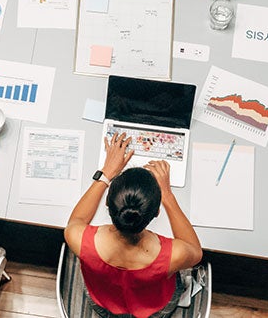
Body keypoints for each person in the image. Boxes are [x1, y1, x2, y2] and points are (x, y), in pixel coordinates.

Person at [64, 133, 203, 318]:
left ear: (107, 203)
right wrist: (168, 196)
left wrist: (106, 174)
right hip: (155, 309)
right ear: (157, 212)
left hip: (103, 304)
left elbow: (76, 220)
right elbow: (196, 251)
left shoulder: (78, 238)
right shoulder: (173, 255)